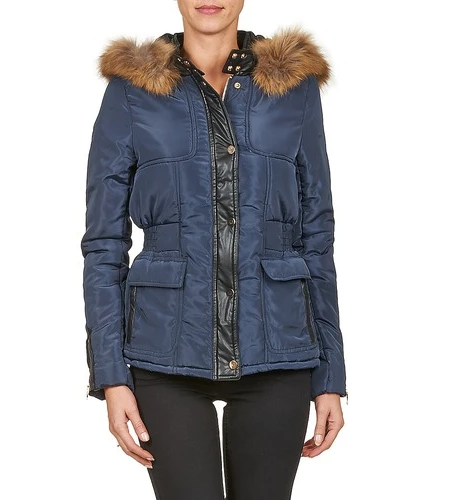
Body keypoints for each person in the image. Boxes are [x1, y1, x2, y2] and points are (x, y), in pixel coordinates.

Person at [80, 1, 347, 498]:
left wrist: (330, 372)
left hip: (278, 350)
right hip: (165, 354)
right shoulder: (131, 90)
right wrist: (111, 374)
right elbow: (104, 244)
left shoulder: (294, 87)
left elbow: (317, 235)